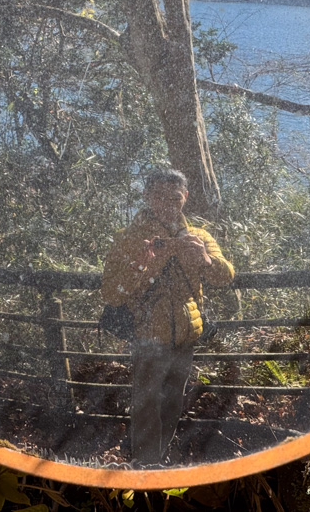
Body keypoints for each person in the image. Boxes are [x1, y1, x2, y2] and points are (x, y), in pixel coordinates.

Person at [101, 168, 234, 465]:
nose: (167, 203)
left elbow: (225, 276)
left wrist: (206, 260)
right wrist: (145, 265)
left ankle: (157, 462)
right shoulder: (129, 238)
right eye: (158, 195)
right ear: (147, 196)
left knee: (174, 402)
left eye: (174, 197)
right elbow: (111, 293)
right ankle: (146, 467)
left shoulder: (198, 236)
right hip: (147, 333)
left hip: (186, 334)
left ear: (185, 197)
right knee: (146, 403)